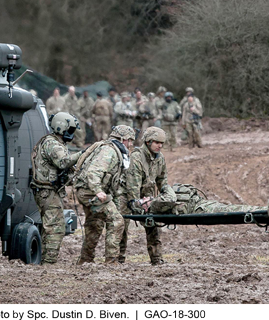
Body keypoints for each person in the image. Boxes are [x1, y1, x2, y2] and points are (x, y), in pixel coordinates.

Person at [73, 125, 135, 264]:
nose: (131, 144)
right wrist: (98, 191)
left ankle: (85, 260)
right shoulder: (109, 151)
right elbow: (93, 172)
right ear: (123, 139)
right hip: (91, 193)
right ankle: (111, 262)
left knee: (94, 225)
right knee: (116, 221)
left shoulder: (111, 149)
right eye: (130, 141)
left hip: (87, 191)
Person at [30, 112, 83, 264]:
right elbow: (63, 162)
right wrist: (82, 154)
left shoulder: (57, 143)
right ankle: (48, 263)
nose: (72, 134)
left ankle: (44, 261)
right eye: (70, 130)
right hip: (47, 191)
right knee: (56, 227)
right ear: (61, 128)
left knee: (50, 227)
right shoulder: (52, 144)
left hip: (50, 191)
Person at [121, 127, 175, 265]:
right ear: (148, 141)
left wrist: (167, 196)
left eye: (161, 143)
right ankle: (118, 259)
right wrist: (136, 203)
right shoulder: (137, 157)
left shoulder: (160, 158)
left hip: (147, 195)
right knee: (122, 227)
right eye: (157, 142)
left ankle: (156, 259)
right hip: (129, 196)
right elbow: (133, 184)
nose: (160, 146)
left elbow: (162, 180)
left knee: (153, 225)